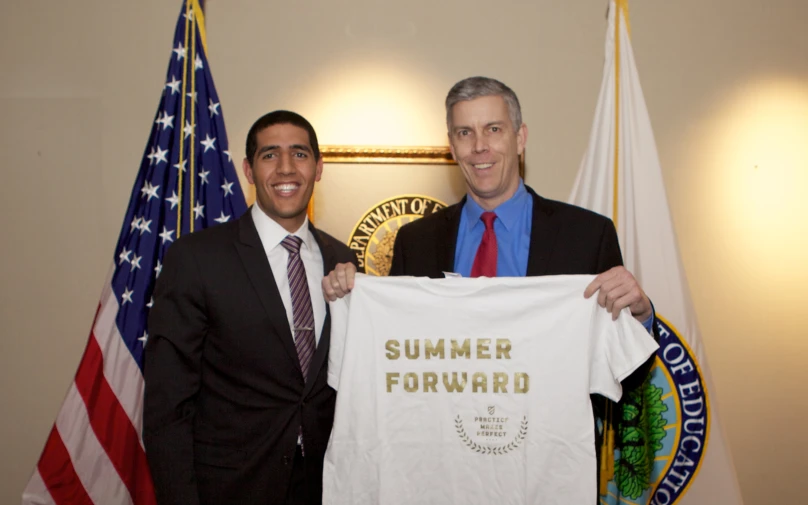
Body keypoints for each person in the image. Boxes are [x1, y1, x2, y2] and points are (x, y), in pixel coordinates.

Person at [321, 76, 657, 494]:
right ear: (451, 146)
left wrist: (640, 315)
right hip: (440, 480)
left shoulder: (587, 235)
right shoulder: (416, 242)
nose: (479, 146)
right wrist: (352, 304)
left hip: (544, 480)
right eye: (465, 133)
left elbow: (628, 370)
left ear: (520, 138)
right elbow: (395, 366)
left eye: (493, 130)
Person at [144, 110, 358, 505]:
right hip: (229, 489)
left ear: (319, 167)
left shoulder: (343, 261)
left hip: (323, 487)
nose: (286, 168)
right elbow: (167, 408)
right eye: (269, 155)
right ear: (248, 169)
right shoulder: (197, 258)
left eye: (300, 153)